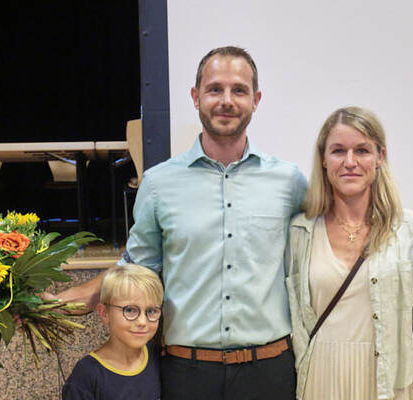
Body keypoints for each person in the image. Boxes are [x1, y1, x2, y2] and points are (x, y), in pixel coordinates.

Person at [54, 46, 306, 400]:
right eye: (215, 89)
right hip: (187, 374)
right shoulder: (159, 184)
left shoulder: (289, 182)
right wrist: (63, 300)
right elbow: (136, 270)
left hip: (269, 372)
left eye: (239, 90)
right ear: (195, 96)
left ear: (256, 100)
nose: (226, 100)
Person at [286, 106, 413, 400]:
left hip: (388, 382)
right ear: (324, 159)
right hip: (320, 379)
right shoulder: (299, 232)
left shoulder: (412, 230)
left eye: (362, 150)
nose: (350, 162)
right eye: (338, 151)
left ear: (380, 157)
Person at [62, 264, 163, 400]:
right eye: (130, 310)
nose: (142, 322)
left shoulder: (158, 357)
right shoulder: (87, 374)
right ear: (104, 313)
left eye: (151, 311)